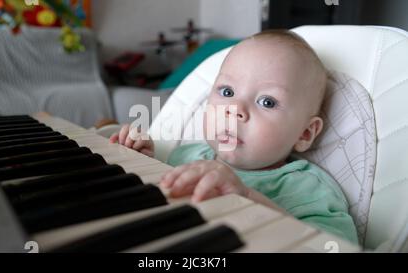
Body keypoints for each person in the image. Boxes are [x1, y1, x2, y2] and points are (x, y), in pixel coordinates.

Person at [109, 30, 358, 244]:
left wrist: (247, 198)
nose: (234, 109)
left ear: (304, 133)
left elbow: (331, 247)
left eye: (267, 101)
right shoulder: (186, 154)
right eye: (227, 91)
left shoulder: (308, 189)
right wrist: (143, 160)